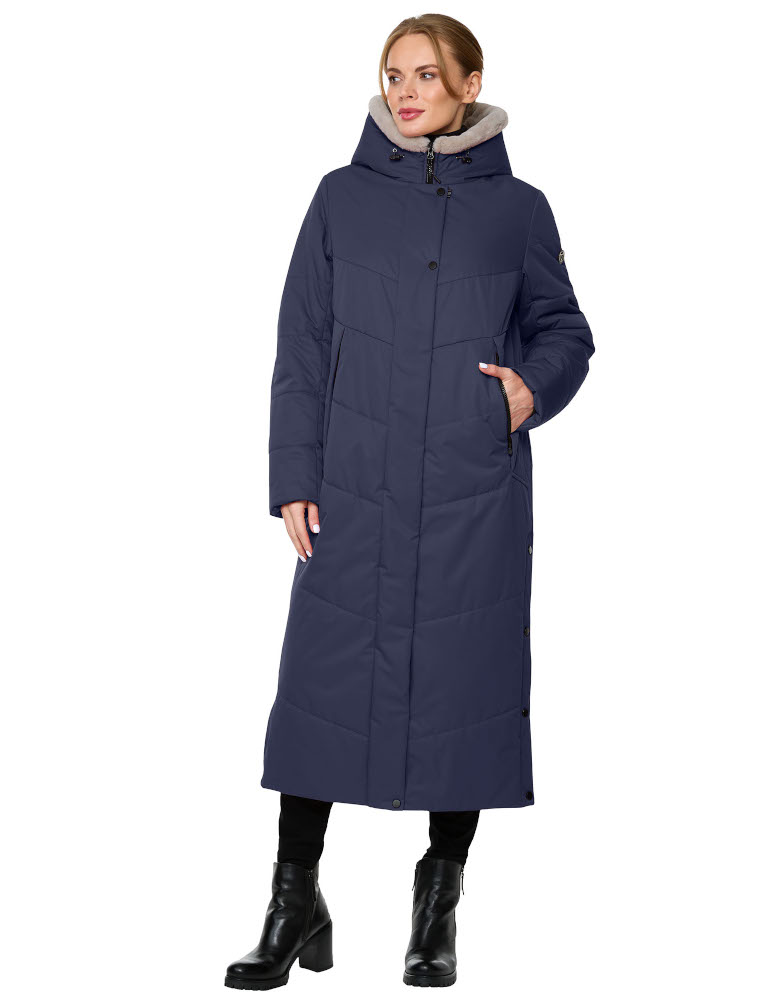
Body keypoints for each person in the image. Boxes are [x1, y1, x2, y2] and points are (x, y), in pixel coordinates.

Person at [225, 13, 595, 991]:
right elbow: (302, 345)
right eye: (393, 75)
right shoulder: (339, 198)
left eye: (426, 75)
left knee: (462, 692)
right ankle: (293, 901)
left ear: (470, 83)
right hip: (353, 485)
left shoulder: (518, 211)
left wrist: (525, 391)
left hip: (472, 489)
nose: (405, 91)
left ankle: (438, 907)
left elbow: (564, 331)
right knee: (321, 692)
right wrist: (293, 476)